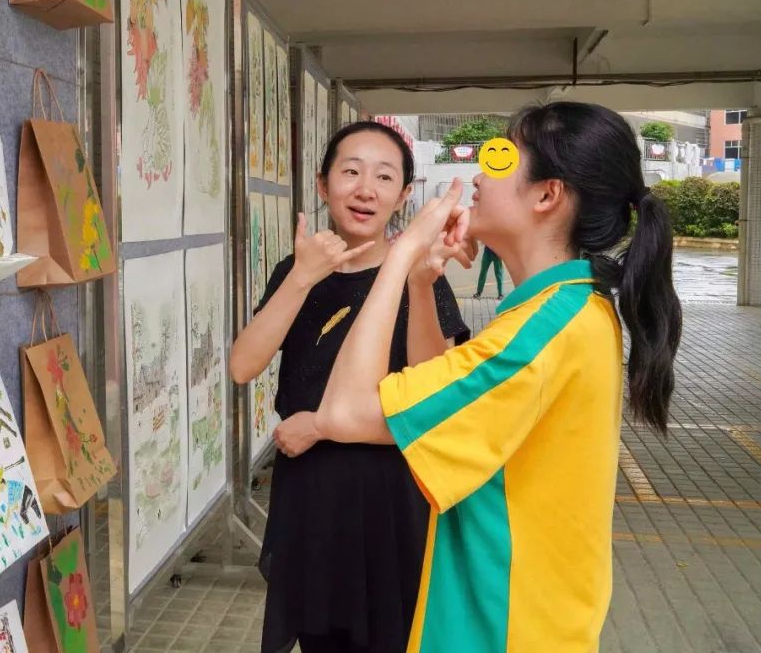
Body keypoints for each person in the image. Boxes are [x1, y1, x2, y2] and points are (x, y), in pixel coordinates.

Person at [277, 102, 682, 652]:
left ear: (547, 195)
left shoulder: (539, 335)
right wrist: (420, 282)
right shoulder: (569, 310)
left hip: (503, 627)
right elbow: (431, 394)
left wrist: (397, 258)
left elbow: (345, 413)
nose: (477, 176)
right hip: (526, 619)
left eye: (501, 158)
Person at [229, 121, 472, 653]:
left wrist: (321, 427)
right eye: (350, 172)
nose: (366, 189)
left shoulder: (421, 277)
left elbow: (432, 404)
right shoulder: (295, 271)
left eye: (385, 177)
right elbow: (243, 366)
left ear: (404, 195)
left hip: (390, 496)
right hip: (312, 496)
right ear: (322, 186)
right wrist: (301, 276)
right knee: (322, 640)